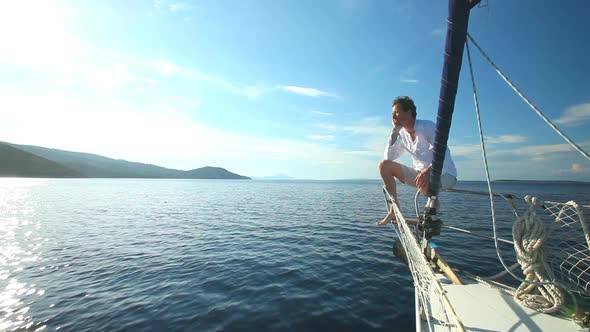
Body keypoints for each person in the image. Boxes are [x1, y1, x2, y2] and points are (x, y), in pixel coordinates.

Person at [377, 96, 457, 226]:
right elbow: (388, 157)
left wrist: (427, 171)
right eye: (392, 114)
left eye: (396, 112)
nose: (393, 116)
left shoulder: (427, 127)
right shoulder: (402, 134)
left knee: (425, 184)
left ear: (409, 112)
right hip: (421, 176)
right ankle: (394, 210)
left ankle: (433, 206)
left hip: (445, 174)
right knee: (384, 166)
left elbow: (443, 154)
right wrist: (394, 132)